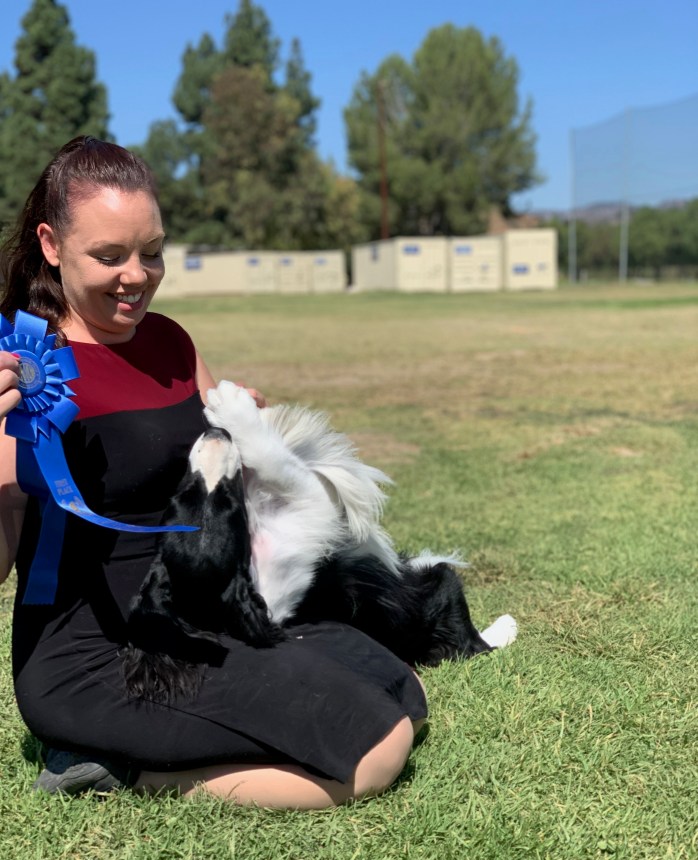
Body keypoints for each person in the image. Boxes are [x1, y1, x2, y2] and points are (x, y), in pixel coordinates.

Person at [0, 136, 427, 808]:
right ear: (52, 245)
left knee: (399, 683)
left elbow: (208, 470)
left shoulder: (171, 340)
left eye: (151, 252)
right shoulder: (23, 372)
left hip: (200, 617)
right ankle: (108, 771)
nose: (136, 276)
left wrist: (243, 432)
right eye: (109, 256)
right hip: (97, 658)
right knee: (376, 750)